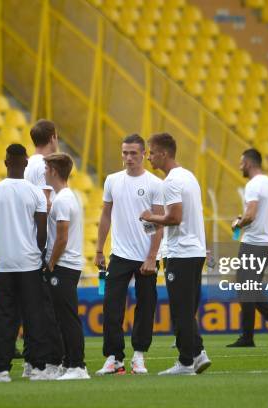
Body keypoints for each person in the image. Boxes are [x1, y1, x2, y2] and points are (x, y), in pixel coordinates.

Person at [0, 144, 57, 383]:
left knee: (4, 317)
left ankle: (0, 370)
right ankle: (36, 367)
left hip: (2, 265)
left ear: (5, 162)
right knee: (34, 316)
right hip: (30, 264)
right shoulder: (35, 194)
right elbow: (42, 232)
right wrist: (40, 255)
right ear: (25, 163)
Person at [140, 133, 211, 375]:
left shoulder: (170, 182)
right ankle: (198, 353)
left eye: (151, 152)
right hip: (195, 250)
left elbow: (175, 217)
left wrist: (151, 217)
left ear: (163, 153)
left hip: (181, 253)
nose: (148, 157)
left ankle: (186, 362)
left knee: (180, 310)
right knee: (186, 308)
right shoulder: (188, 176)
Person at [95, 134, 164, 375]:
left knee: (146, 307)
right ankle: (115, 358)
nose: (128, 157)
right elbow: (105, 216)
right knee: (112, 306)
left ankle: (139, 356)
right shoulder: (112, 180)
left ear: (144, 154)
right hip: (120, 254)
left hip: (147, 255)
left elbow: (159, 223)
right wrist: (98, 249)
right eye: (125, 152)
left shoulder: (155, 183)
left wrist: (152, 256)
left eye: (134, 153)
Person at [226, 148, 268, 348]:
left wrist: (237, 224)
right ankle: (251, 335)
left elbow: (251, 214)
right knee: (249, 287)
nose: (240, 167)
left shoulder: (253, 185)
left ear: (248, 163)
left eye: (241, 163)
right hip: (267, 243)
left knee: (246, 287)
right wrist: (266, 232)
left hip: (253, 243)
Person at [43, 153, 90, 380]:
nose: (43, 173)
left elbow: (61, 238)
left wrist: (50, 264)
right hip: (68, 265)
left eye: (46, 169)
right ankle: (69, 361)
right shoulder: (67, 197)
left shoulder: (62, 200)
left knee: (67, 317)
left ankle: (77, 366)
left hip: (63, 265)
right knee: (64, 317)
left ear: (53, 170)